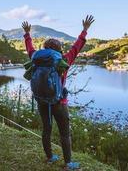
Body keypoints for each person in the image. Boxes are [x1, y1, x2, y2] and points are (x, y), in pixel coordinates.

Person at [22, 15, 94, 170]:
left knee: (46, 130)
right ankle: (68, 164)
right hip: (59, 102)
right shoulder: (63, 60)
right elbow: (77, 47)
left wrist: (27, 34)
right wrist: (84, 30)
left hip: (41, 100)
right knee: (64, 133)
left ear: (45, 48)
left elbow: (29, 48)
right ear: (59, 50)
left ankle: (50, 157)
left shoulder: (36, 57)